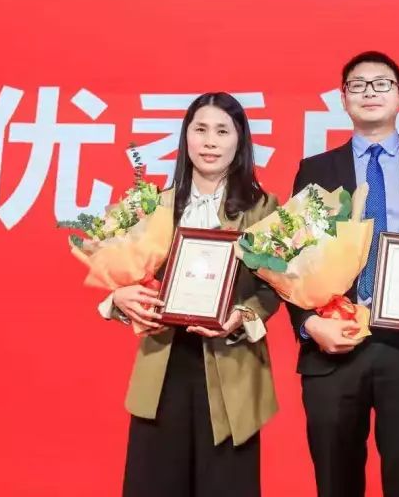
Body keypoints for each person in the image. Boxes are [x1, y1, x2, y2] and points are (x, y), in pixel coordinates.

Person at [288, 51, 399, 497]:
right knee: (335, 481)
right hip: (335, 343)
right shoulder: (315, 169)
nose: (370, 92)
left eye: (382, 83)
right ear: (343, 98)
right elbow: (292, 258)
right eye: (358, 85)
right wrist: (309, 325)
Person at [98, 92, 280, 497]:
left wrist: (243, 316)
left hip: (231, 365)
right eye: (200, 130)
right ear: (186, 137)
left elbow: (274, 288)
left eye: (222, 131)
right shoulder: (152, 205)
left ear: (240, 140)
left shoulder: (262, 208)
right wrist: (118, 298)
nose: (210, 142)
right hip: (164, 364)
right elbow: (126, 275)